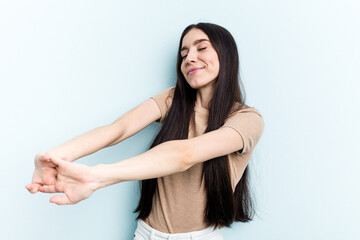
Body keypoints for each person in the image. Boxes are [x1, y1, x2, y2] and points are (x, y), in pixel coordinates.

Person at [26, 22, 264, 240]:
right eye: (183, 54)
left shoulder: (247, 120)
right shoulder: (173, 100)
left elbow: (185, 155)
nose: (189, 58)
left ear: (227, 55)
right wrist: (53, 157)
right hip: (146, 234)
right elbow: (118, 129)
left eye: (201, 48)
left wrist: (97, 176)